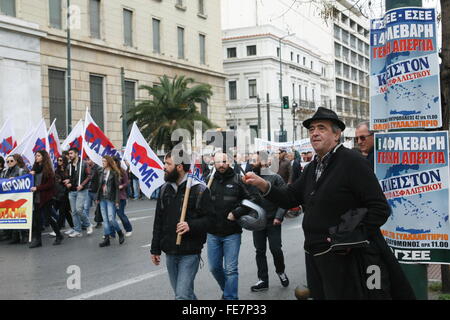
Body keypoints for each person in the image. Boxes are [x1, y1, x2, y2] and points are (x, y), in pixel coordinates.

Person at [244, 107, 415, 300]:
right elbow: (291, 197)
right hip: (314, 255)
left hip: (345, 259)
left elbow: (379, 209)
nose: (314, 132)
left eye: (321, 128)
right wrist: (264, 185)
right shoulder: (312, 166)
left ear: (336, 135)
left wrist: (346, 237)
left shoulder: (353, 161)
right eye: (311, 129)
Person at [150, 151, 214, 300]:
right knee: (187, 294)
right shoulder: (165, 189)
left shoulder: (199, 190)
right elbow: (158, 220)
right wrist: (155, 249)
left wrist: (190, 225)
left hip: (190, 252)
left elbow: (211, 220)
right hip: (170, 252)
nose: (164, 167)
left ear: (179, 167)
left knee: (182, 295)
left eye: (168, 164)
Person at [207, 152, 261, 300]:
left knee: (231, 270)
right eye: (218, 162)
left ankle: (231, 298)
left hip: (232, 233)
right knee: (214, 268)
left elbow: (253, 198)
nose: (221, 164)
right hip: (212, 233)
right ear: (214, 163)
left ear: (229, 162)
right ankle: (228, 290)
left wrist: (237, 213)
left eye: (224, 161)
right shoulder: (209, 181)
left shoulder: (238, 179)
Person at [247, 152, 289, 292]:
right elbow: (247, 199)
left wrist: (279, 216)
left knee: (275, 249)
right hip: (257, 221)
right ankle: (263, 280)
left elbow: (284, 199)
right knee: (260, 251)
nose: (253, 161)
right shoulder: (249, 178)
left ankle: (280, 271)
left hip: (273, 221)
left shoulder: (276, 177)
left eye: (256, 159)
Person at [29, 150, 63, 248]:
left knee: (48, 218)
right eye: (36, 156)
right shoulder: (34, 169)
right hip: (36, 198)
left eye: (39, 155)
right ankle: (38, 241)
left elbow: (50, 184)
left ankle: (59, 235)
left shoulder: (48, 170)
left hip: (46, 197)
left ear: (43, 157)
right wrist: (30, 174)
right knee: (37, 219)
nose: (37, 157)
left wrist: (37, 188)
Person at [96, 156, 125, 247]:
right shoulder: (101, 171)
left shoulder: (114, 173)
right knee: (105, 219)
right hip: (102, 198)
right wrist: (97, 197)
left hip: (110, 198)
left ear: (109, 162)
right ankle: (107, 238)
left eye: (104, 161)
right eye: (102, 161)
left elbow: (116, 188)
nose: (103, 163)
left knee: (111, 218)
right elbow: (99, 186)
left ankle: (120, 233)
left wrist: (117, 200)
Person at [64, 147, 93, 238]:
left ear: (76, 153)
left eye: (71, 153)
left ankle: (88, 224)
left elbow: (89, 176)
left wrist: (82, 185)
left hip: (81, 190)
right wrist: (67, 182)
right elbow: (69, 177)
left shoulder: (83, 164)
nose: (70, 155)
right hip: (71, 191)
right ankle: (77, 230)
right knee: (74, 212)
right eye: (69, 154)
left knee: (79, 209)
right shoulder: (69, 165)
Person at [0, 154, 29, 244]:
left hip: (19, 196)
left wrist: (16, 179)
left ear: (16, 162)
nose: (9, 162)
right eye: (7, 161)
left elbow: (25, 181)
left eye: (11, 161)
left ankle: (24, 235)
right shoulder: (4, 172)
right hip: (8, 197)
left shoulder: (21, 171)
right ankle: (15, 236)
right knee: (12, 216)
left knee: (20, 215)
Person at [54, 156, 74, 234]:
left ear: (64, 161)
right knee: (66, 212)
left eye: (60, 160)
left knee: (62, 211)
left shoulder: (68, 169)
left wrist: (68, 180)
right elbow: (57, 181)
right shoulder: (57, 170)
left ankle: (57, 229)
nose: (59, 161)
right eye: (58, 160)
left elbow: (72, 179)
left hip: (66, 193)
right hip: (59, 193)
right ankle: (73, 226)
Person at [113, 156, 133, 237]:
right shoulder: (110, 171)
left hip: (121, 197)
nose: (112, 163)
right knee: (111, 216)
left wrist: (121, 186)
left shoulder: (122, 171)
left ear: (117, 162)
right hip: (112, 197)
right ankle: (111, 232)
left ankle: (129, 229)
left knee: (120, 214)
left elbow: (127, 182)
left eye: (114, 162)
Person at [83, 157, 102, 229]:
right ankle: (86, 224)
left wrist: (98, 192)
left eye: (88, 160)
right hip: (88, 190)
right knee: (86, 207)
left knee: (97, 208)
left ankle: (98, 221)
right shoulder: (87, 168)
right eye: (86, 160)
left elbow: (99, 181)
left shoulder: (98, 168)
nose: (87, 161)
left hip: (95, 191)